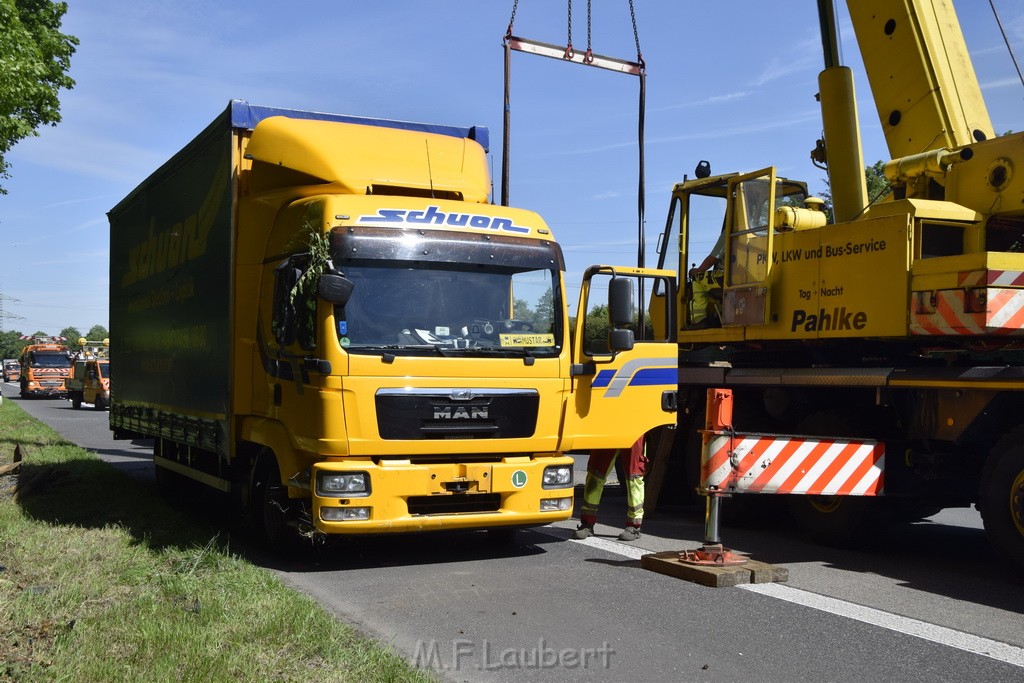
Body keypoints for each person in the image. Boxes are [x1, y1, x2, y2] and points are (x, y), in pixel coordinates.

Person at [574, 436, 647, 542]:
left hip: (634, 428)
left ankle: (634, 527)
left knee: (634, 477)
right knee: (595, 474)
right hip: (607, 428)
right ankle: (587, 523)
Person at [687, 229, 725, 329]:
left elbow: (714, 257)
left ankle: (699, 320)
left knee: (697, 279)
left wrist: (698, 271)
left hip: (725, 277)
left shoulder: (731, 230)